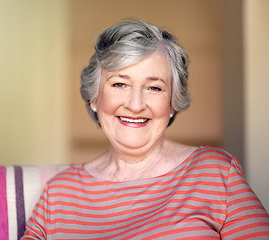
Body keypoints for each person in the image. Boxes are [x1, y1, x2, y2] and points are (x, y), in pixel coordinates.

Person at [21, 19, 269, 239]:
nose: (135, 105)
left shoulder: (214, 173)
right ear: (94, 98)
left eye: (154, 88)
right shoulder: (60, 194)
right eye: (120, 84)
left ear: (173, 103)